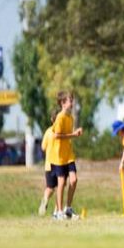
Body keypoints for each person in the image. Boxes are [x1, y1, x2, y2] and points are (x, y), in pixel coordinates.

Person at [50, 91, 83, 220]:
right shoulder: (60, 117)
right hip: (59, 156)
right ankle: (58, 212)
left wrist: (75, 134)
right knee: (62, 183)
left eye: (72, 100)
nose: (72, 103)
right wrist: (73, 135)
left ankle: (68, 209)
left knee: (74, 180)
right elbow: (57, 136)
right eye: (70, 100)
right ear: (63, 103)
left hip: (69, 155)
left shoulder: (70, 118)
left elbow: (67, 137)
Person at [38, 110, 58, 216]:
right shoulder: (61, 131)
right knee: (60, 188)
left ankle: (45, 199)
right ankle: (56, 211)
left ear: (51, 119)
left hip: (48, 164)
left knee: (49, 188)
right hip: (59, 163)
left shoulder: (48, 132)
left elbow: (42, 147)